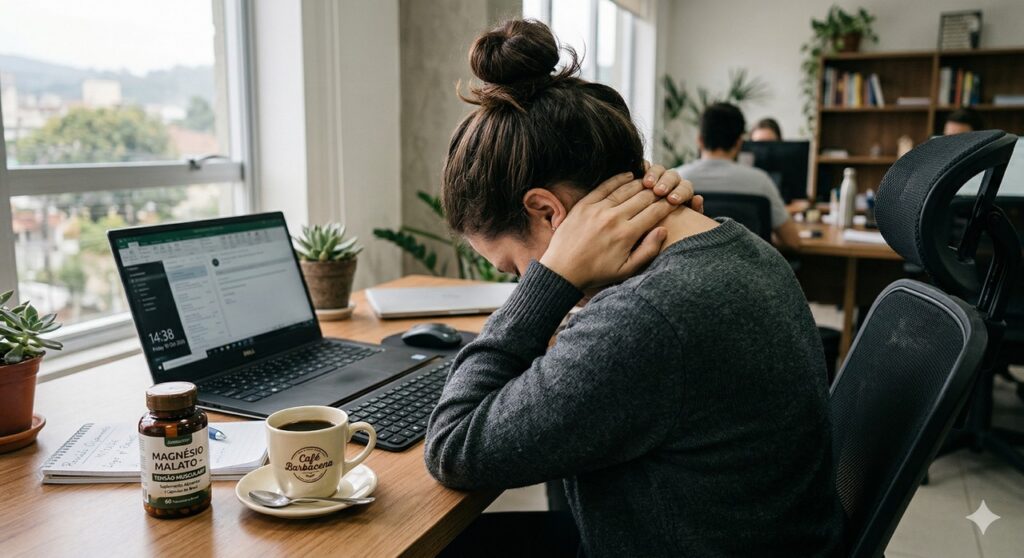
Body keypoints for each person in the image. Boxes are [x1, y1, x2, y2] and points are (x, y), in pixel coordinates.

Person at [425, 19, 845, 558]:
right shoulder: (738, 247)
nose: (523, 282)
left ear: (547, 210)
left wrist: (549, 283)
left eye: (516, 270)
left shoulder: (646, 317)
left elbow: (453, 446)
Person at [675, 103, 801, 249]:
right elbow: (792, 241)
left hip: (690, 270)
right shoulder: (760, 182)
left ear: (699, 140)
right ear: (739, 143)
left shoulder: (677, 179)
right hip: (751, 270)